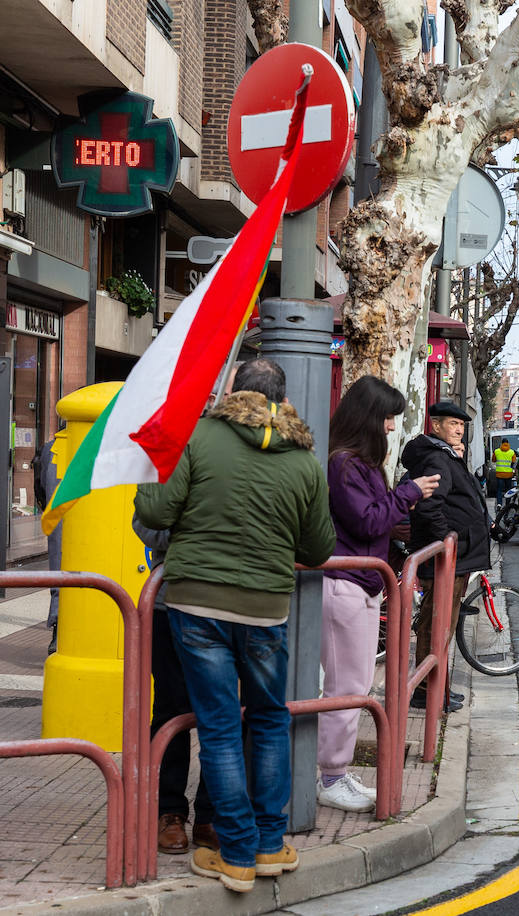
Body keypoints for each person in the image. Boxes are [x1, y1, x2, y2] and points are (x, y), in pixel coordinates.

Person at [134, 358, 335, 893]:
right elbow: (319, 549)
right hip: (266, 607)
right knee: (268, 719)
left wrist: (153, 466)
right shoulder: (306, 461)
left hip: (196, 604)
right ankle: (270, 845)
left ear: (235, 394)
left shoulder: (199, 439)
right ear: (281, 400)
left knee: (218, 727)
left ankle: (237, 854)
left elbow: (154, 512)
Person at [318, 377, 439, 813]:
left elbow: (373, 519)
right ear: (369, 418)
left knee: (353, 682)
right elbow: (367, 522)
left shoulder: (355, 463)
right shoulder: (344, 465)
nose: (391, 427)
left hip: (362, 582)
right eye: (388, 418)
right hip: (347, 582)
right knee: (348, 684)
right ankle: (331, 775)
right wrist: (408, 494)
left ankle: (334, 771)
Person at [400, 400, 492, 712]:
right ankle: (427, 690)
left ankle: (436, 687)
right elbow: (429, 506)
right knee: (437, 624)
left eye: (462, 426)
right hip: (448, 559)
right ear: (436, 425)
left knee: (441, 624)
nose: (459, 430)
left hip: (454, 557)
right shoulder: (438, 459)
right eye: (453, 424)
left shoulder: (443, 456)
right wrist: (447, 544)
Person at [134, 515, 218, 855]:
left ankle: (210, 816)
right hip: (170, 601)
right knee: (171, 711)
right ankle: (169, 812)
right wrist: (201, 526)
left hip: (226, 601)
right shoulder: (164, 462)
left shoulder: (241, 459)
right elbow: (145, 524)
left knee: (223, 713)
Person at [33, 430, 62, 656]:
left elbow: (39, 486)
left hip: (57, 520)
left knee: (59, 572)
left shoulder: (49, 449)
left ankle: (57, 629)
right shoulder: (96, 445)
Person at [490, 437, 517, 505]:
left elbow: (493, 460)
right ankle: (507, 504)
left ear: (501, 443)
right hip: (508, 474)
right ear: (508, 443)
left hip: (499, 474)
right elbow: (514, 461)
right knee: (508, 490)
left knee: (499, 490)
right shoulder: (512, 452)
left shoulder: (497, 451)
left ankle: (499, 503)